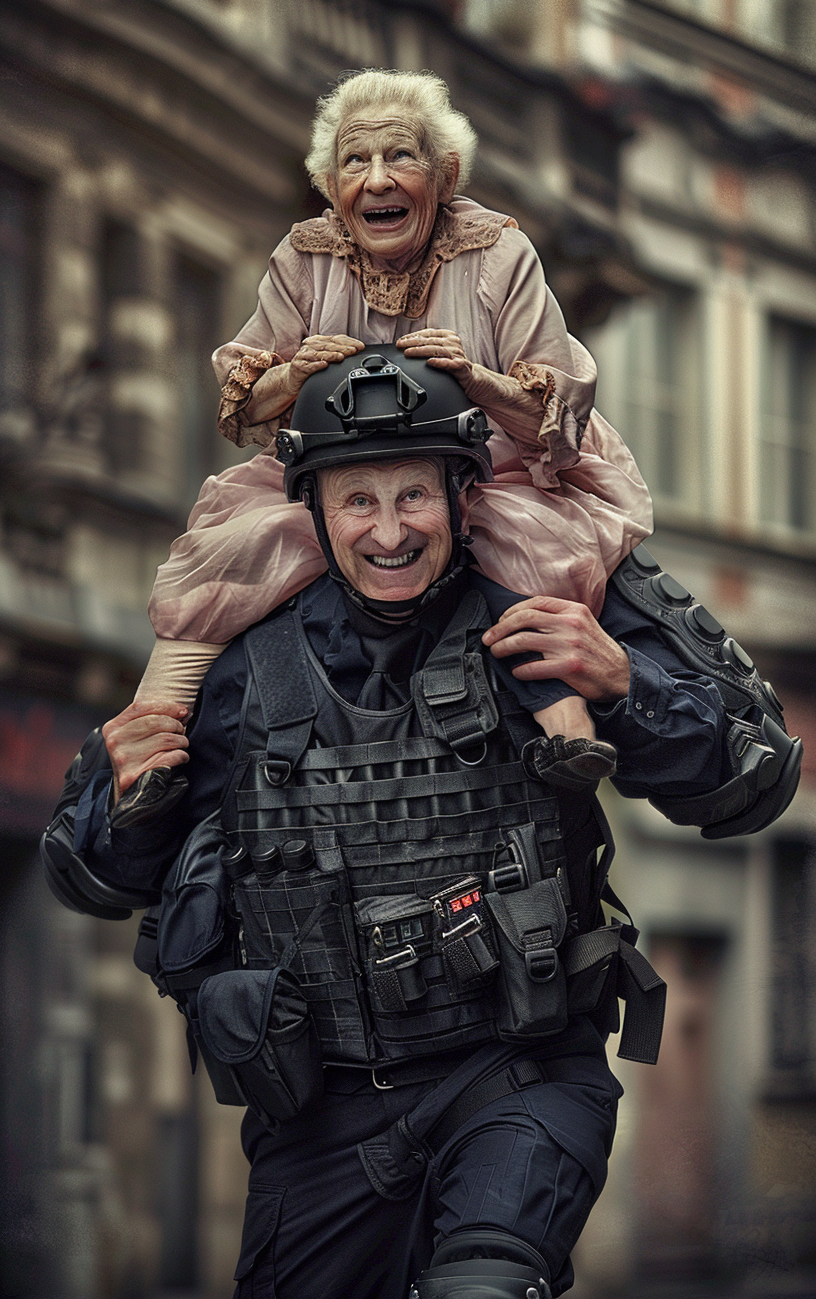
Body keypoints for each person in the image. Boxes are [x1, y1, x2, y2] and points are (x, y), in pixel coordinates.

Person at [42, 351, 801, 1299]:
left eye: (416, 496)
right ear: (313, 512)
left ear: (467, 495)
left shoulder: (546, 619)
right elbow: (90, 879)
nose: (390, 531)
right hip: (321, 1121)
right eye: (358, 500)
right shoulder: (240, 667)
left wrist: (625, 683)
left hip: (517, 1079)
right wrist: (127, 798)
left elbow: (754, 783)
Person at [134, 68, 654, 804]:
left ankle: (567, 728)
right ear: (328, 184)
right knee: (230, 546)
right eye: (355, 161)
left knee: (528, 542)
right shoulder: (303, 256)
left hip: (488, 467)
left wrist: (479, 381)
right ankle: (147, 737)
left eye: (400, 157)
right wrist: (291, 376)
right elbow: (246, 403)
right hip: (334, 480)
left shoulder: (500, 254)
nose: (377, 179)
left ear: (444, 176)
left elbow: (558, 403)